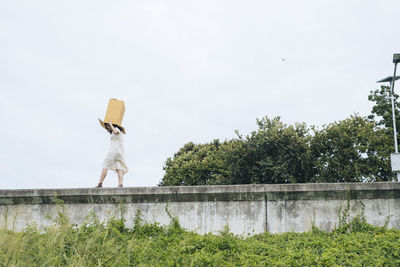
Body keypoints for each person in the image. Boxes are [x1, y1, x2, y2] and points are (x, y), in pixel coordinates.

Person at [96, 120, 128, 188]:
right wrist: (110, 126)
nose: (107, 129)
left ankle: (100, 183)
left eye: (107, 127)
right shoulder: (118, 132)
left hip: (113, 151)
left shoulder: (116, 130)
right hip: (119, 151)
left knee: (105, 165)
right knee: (118, 166)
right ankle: (120, 184)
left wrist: (110, 124)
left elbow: (116, 132)